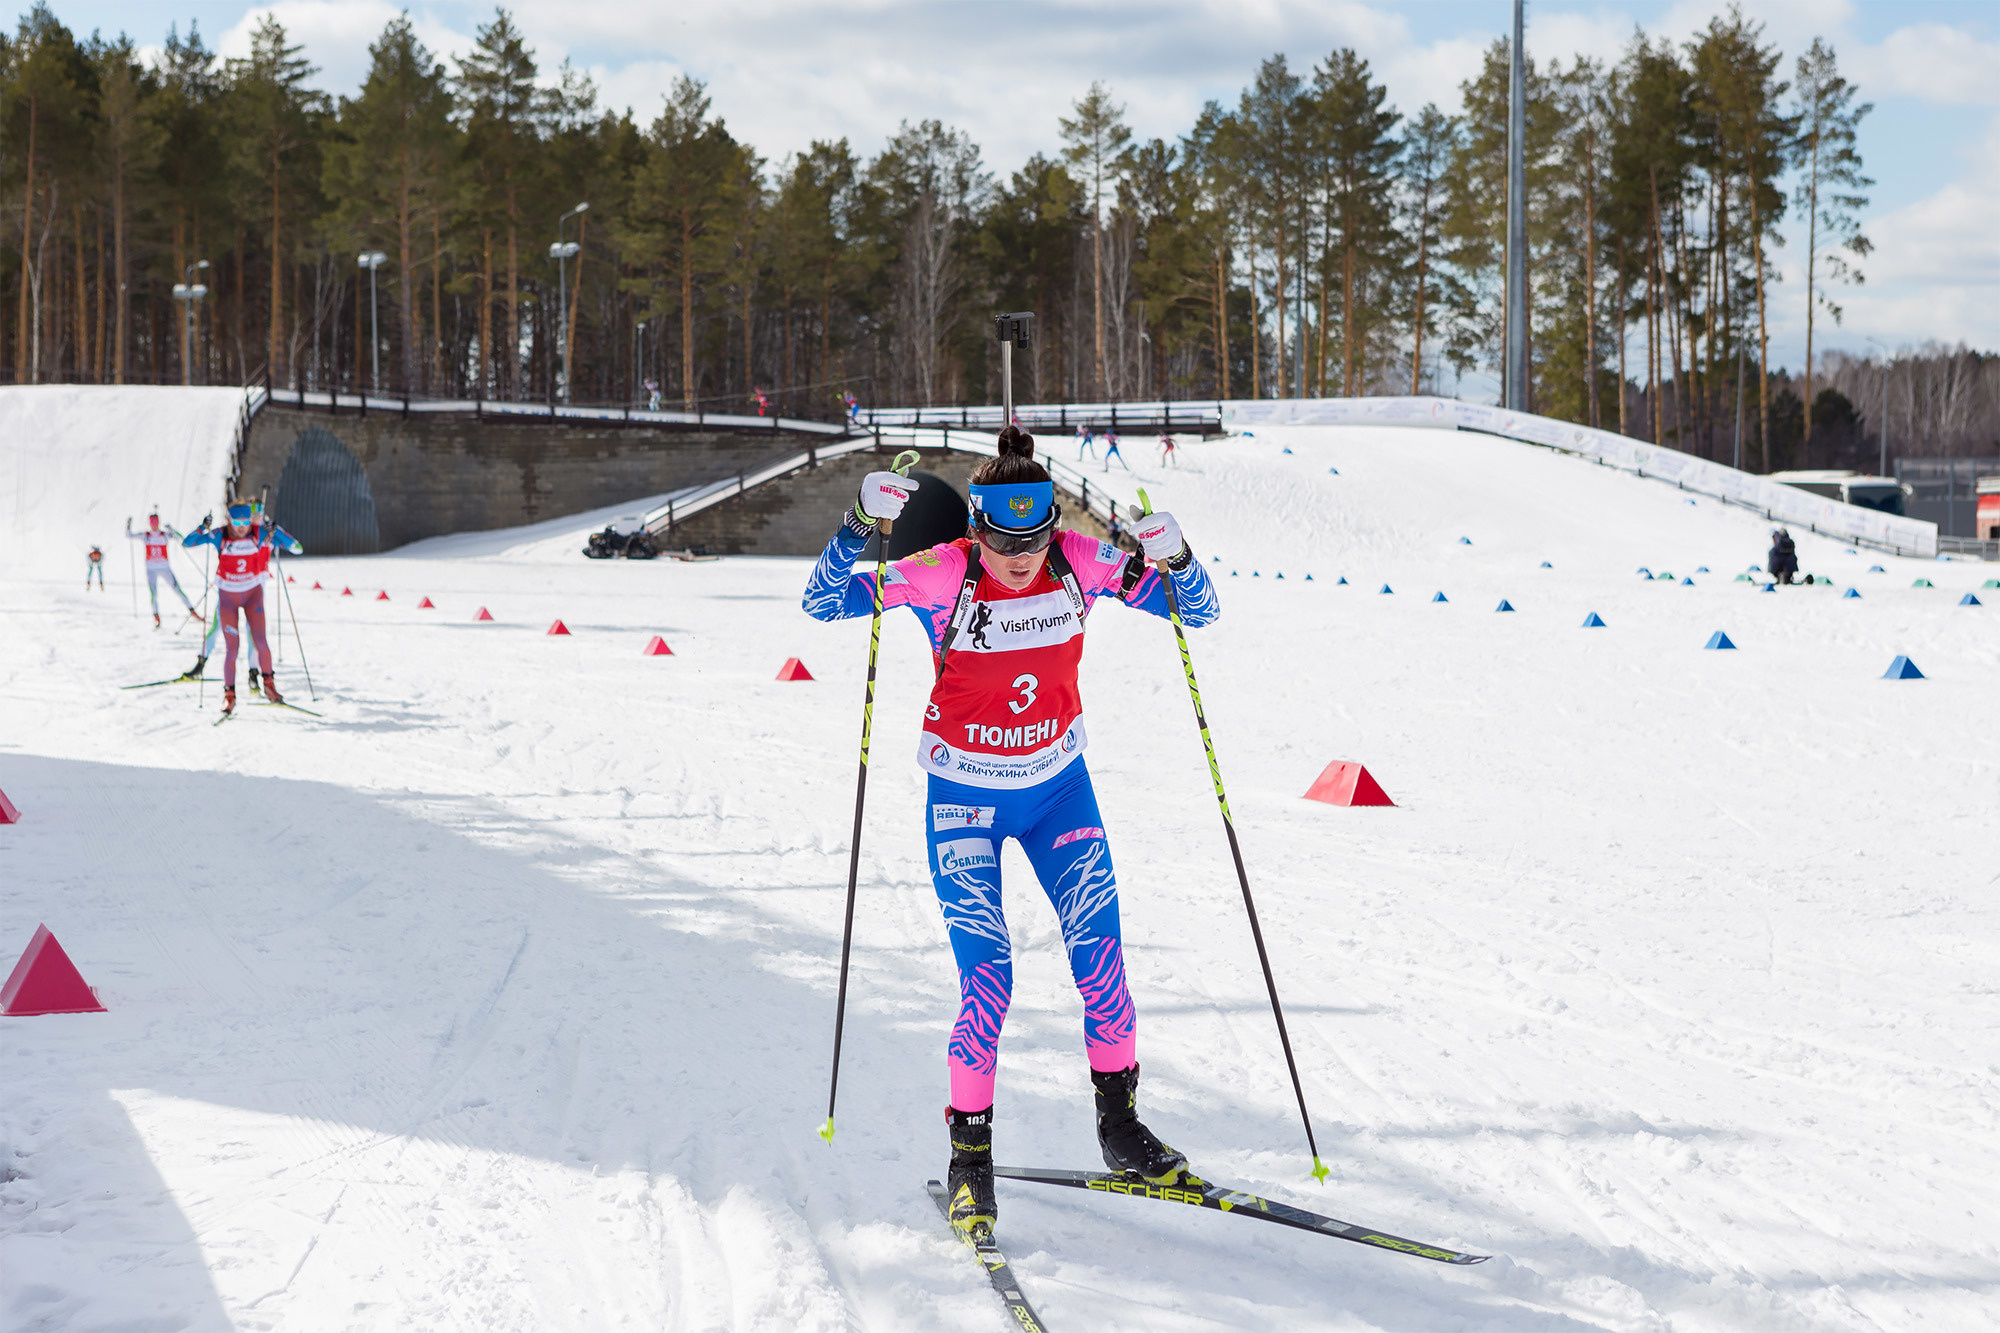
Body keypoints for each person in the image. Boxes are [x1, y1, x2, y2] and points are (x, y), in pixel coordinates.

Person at [801, 425, 1221, 1244]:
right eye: (1002, 541)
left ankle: (1120, 1127)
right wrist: (854, 524)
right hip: (964, 800)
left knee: (1102, 960)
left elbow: (1197, 611)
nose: (1021, 557)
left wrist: (1178, 557)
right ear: (976, 529)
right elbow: (822, 602)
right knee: (988, 977)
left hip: (1059, 791)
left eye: (1034, 539)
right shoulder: (941, 571)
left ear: (1053, 525)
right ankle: (971, 1160)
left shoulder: (1081, 561)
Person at [182, 500, 303, 714]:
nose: (241, 527)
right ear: (229, 519)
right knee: (232, 649)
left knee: (260, 642)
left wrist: (276, 531)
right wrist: (203, 527)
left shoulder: (259, 533)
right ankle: (229, 696)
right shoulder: (220, 534)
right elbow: (187, 543)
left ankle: (269, 686)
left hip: (253, 596)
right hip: (228, 599)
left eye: (245, 522)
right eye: (236, 522)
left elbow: (297, 548)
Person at [127, 512, 199, 628]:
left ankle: (192, 611)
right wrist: (128, 525)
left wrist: (171, 529)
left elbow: (180, 538)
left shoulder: (164, 535)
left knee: (177, 590)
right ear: (150, 524)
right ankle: (156, 617)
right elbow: (129, 535)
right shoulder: (146, 535)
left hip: (164, 568)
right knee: (154, 594)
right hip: (151, 569)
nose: (154, 526)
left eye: (156, 523)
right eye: (152, 523)